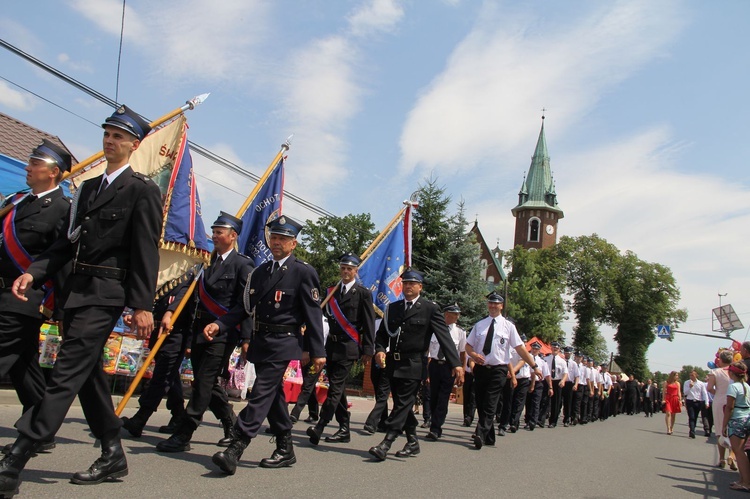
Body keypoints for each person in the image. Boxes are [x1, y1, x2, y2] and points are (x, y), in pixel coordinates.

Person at [1, 105, 162, 493]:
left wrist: (143, 306)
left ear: (134, 145)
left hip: (106, 296)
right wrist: (33, 271)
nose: (110, 141)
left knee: (66, 371)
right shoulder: (88, 189)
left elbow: (145, 252)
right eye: (107, 133)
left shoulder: (142, 190)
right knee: (87, 375)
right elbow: (64, 244)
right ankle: (112, 453)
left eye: (119, 136)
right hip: (76, 294)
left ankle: (17, 457)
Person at [206, 215, 326, 474]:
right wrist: (220, 324)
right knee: (274, 398)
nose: (277, 242)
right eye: (273, 237)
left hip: (284, 342)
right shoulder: (260, 272)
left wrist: (317, 351)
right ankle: (286, 449)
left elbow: (313, 314)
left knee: (261, 392)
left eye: (283, 238)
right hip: (261, 341)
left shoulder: (303, 272)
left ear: (293, 243)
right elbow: (244, 308)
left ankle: (236, 446)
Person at [156, 212, 254, 453]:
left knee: (203, 383)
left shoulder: (243, 264)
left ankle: (185, 431)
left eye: (219, 232)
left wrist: (247, 338)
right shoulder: (206, 262)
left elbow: (246, 304)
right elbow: (187, 292)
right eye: (214, 231)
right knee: (206, 383)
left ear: (233, 236)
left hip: (221, 332)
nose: (215, 236)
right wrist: (170, 311)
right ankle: (231, 423)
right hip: (198, 329)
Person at [0, 140, 72, 453]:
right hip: (3, 291)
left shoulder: (63, 210)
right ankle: (42, 427)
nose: (27, 168)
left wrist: (59, 307)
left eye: (34, 163)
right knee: (23, 366)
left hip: (23, 300)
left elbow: (62, 260)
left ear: (54, 172)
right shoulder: (17, 201)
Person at [368, 269, 463, 461]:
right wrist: (379, 349)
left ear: (420, 287)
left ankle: (386, 443)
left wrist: (456, 364)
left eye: (412, 283)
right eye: (405, 283)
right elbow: (382, 335)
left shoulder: (429, 309)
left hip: (414, 365)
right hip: (393, 363)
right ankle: (412, 442)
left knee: (402, 404)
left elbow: (444, 337)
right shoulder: (393, 308)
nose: (408, 286)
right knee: (403, 405)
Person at [307, 253, 376, 445]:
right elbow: (319, 316)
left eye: (350, 269)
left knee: (335, 389)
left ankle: (320, 426)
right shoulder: (332, 291)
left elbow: (369, 324)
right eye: (343, 268)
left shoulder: (363, 293)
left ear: (356, 271)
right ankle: (344, 429)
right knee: (339, 390)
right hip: (331, 346)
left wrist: (368, 350)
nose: (346, 271)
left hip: (349, 347)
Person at [120, 268, 195, 438]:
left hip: (176, 333)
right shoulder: (167, 276)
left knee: (162, 377)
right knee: (170, 376)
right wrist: (135, 313)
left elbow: (182, 300)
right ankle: (177, 416)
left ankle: (141, 418)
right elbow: (155, 299)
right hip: (158, 331)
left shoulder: (189, 277)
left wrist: (188, 341)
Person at [465, 292, 542, 449]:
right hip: (481, 369)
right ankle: (489, 436)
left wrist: (534, 366)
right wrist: (473, 355)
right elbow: (468, 345)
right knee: (480, 401)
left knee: (490, 402)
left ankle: (479, 433)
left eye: (496, 303)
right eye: (490, 303)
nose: (493, 306)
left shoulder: (508, 327)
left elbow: (520, 349)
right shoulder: (480, 325)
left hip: (498, 369)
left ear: (502, 306)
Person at [425, 303, 466, 441]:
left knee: (443, 398)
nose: (457, 316)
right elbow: (428, 350)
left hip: (450, 368)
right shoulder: (435, 328)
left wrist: (461, 371)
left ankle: (436, 428)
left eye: (458, 314)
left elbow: (462, 354)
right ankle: (433, 421)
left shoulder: (460, 332)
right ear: (446, 314)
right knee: (433, 396)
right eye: (454, 314)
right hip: (435, 365)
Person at [723, 362, 750, 493]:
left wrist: (724, 425)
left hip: (736, 420)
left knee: (738, 452)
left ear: (732, 373)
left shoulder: (733, 387)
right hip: (747, 418)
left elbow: (729, 407)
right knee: (741, 451)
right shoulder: (747, 386)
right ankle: (742, 480)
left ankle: (746, 482)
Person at [708, 349, 736, 469]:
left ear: (721, 359)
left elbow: (709, 388)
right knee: (733, 428)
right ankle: (732, 455)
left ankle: (721, 458)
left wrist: (718, 392)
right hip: (734, 400)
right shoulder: (735, 372)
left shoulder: (715, 372)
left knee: (720, 429)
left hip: (719, 401)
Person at [545, 341, 568, 428]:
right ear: (551, 348)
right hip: (547, 381)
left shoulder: (562, 361)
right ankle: (541, 419)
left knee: (556, 402)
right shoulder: (546, 359)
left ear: (559, 350)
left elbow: (565, 373)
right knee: (545, 401)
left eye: (557, 348)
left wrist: (563, 380)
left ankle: (553, 421)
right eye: (554, 347)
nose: (555, 349)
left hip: (557, 381)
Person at [683, 370, 709, 439]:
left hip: (698, 402)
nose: (691, 376)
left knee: (695, 417)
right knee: (691, 417)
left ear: (696, 375)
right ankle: (692, 431)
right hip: (690, 401)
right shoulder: (687, 383)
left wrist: (706, 402)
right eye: (690, 375)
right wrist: (690, 387)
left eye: (693, 375)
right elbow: (685, 393)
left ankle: (693, 428)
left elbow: (704, 393)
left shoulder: (700, 383)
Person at [562, 346, 579, 427]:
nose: (567, 354)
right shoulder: (561, 361)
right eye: (566, 353)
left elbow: (577, 376)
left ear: (571, 354)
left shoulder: (574, 364)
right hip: (561, 382)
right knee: (558, 402)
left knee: (568, 402)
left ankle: (567, 419)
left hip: (569, 384)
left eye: (568, 353)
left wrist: (575, 384)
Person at [664, 371, 682, 435]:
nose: (677, 377)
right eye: (676, 375)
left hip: (675, 398)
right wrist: (663, 399)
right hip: (668, 398)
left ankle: (671, 427)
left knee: (673, 415)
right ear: (672, 376)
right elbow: (664, 392)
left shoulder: (677, 383)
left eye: (677, 375)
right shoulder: (666, 382)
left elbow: (679, 392)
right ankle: (668, 428)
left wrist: (680, 400)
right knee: (668, 413)